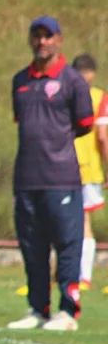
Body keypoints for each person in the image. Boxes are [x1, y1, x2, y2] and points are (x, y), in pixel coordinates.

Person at [7, 16, 92, 332]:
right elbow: (22, 122)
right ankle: (37, 309)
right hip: (27, 179)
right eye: (36, 36)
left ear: (59, 39)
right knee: (33, 248)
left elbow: (83, 125)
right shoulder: (20, 81)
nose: (42, 42)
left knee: (67, 245)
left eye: (48, 36)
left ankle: (67, 312)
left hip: (62, 179)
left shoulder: (73, 81)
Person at [70, 54, 108, 290]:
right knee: (83, 223)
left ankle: (67, 276)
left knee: (62, 223)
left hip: (61, 168)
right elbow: (103, 137)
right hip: (88, 169)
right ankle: (83, 277)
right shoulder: (99, 97)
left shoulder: (65, 94)